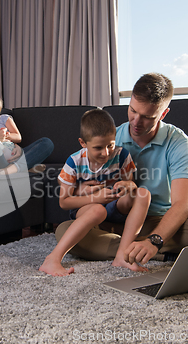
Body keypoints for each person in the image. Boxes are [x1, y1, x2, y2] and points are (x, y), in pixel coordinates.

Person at [55, 73, 188, 269]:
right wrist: (83, 191)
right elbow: (78, 192)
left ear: (163, 114)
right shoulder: (110, 139)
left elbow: (182, 206)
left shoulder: (179, 143)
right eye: (132, 111)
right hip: (115, 220)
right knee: (64, 231)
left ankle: (139, 248)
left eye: (147, 117)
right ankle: (146, 251)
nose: (136, 122)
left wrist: (155, 239)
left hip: (160, 221)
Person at [39, 109, 151, 276]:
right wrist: (95, 197)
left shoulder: (122, 155)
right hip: (87, 208)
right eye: (98, 148)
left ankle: (122, 255)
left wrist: (128, 185)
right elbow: (64, 202)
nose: (106, 153)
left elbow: (131, 182)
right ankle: (52, 259)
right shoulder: (74, 162)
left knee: (143, 193)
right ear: (83, 143)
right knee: (97, 209)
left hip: (116, 205)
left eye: (110, 145)